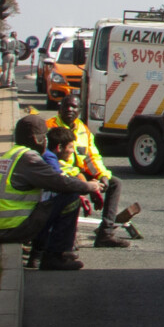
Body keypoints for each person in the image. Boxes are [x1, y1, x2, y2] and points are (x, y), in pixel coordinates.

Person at [0, 113, 98, 270]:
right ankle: (55, 255)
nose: (46, 141)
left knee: (47, 203)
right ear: (36, 139)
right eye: (44, 137)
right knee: (70, 198)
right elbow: (58, 182)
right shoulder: (29, 158)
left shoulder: (11, 154)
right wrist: (88, 187)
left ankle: (39, 254)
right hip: (13, 228)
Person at [47, 94, 138, 247]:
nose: (70, 109)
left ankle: (106, 233)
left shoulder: (83, 129)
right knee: (73, 188)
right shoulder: (51, 126)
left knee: (115, 183)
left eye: (74, 107)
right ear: (59, 108)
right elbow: (54, 161)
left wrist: (102, 176)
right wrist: (84, 183)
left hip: (80, 173)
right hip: (62, 174)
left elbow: (92, 156)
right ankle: (68, 237)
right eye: (66, 106)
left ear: (80, 110)